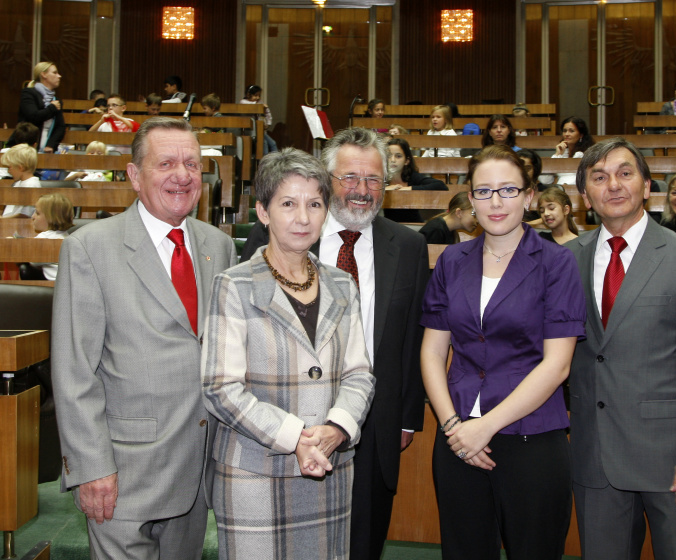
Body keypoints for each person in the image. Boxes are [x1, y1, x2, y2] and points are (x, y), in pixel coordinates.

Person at [52, 117, 238, 560]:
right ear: (135, 176)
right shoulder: (90, 248)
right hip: (122, 472)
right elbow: (73, 370)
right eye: (167, 163)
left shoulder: (219, 245)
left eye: (192, 164)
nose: (182, 175)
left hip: (196, 470)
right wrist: (91, 467)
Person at [202, 148, 375, 559]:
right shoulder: (234, 285)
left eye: (315, 204)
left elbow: (359, 374)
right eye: (287, 204)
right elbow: (220, 387)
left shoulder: (341, 284)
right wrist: (295, 437)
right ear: (262, 212)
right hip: (254, 474)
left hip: (328, 469)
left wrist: (337, 428)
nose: (303, 217)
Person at [567, 137, 676, 560]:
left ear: (646, 185)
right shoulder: (566, 259)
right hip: (595, 458)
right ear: (585, 195)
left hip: (673, 461)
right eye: (599, 178)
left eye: (625, 173)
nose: (614, 186)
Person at [420, 145, 585, 559]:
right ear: (470, 199)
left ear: (529, 196)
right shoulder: (452, 261)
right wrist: (454, 426)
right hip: (457, 437)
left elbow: (558, 364)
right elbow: (432, 352)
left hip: (530, 436)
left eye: (508, 190)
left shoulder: (556, 263)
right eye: (484, 191)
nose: (496, 202)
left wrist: (484, 426)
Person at [317, 128, 428, 560]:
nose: (362, 191)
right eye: (350, 178)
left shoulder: (409, 246)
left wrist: (405, 419)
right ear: (327, 179)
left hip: (375, 423)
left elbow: (412, 336)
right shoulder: (291, 232)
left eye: (374, 180)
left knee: (363, 543)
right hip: (296, 420)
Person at [384, 137, 448, 222]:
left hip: (414, 227)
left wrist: (409, 188)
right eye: (389, 156)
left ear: (406, 161)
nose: (392, 160)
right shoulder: (380, 178)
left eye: (398, 156)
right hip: (388, 227)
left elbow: (441, 186)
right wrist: (384, 189)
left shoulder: (413, 177)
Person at [15, 61, 65, 153]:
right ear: (44, 75)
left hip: (47, 149)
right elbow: (33, 117)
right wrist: (52, 108)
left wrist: (51, 145)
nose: (59, 76)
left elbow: (60, 126)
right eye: (55, 73)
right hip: (26, 147)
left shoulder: (56, 100)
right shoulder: (28, 93)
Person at [26, 193, 74, 280]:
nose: (33, 216)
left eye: (37, 213)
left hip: (56, 287)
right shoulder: (67, 237)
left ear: (51, 218)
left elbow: (33, 262)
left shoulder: (44, 238)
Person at [552, 116, 594, 186]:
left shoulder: (585, 154)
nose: (567, 134)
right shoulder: (562, 151)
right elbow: (545, 180)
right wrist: (557, 154)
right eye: (564, 131)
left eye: (571, 131)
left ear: (581, 135)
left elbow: (571, 176)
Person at [1, 144, 40, 219]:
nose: (9, 172)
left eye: (9, 168)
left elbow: (25, 215)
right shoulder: (18, 183)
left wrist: (3, 219)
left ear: (20, 167)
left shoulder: (32, 185)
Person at [240, 84, 278, 153]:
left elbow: (267, 113)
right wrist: (260, 105)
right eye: (255, 95)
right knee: (264, 143)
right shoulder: (243, 102)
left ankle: (275, 161)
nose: (257, 97)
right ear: (248, 94)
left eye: (259, 95)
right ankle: (265, 162)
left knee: (273, 143)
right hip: (250, 130)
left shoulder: (260, 102)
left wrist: (268, 123)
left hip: (260, 129)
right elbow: (252, 107)